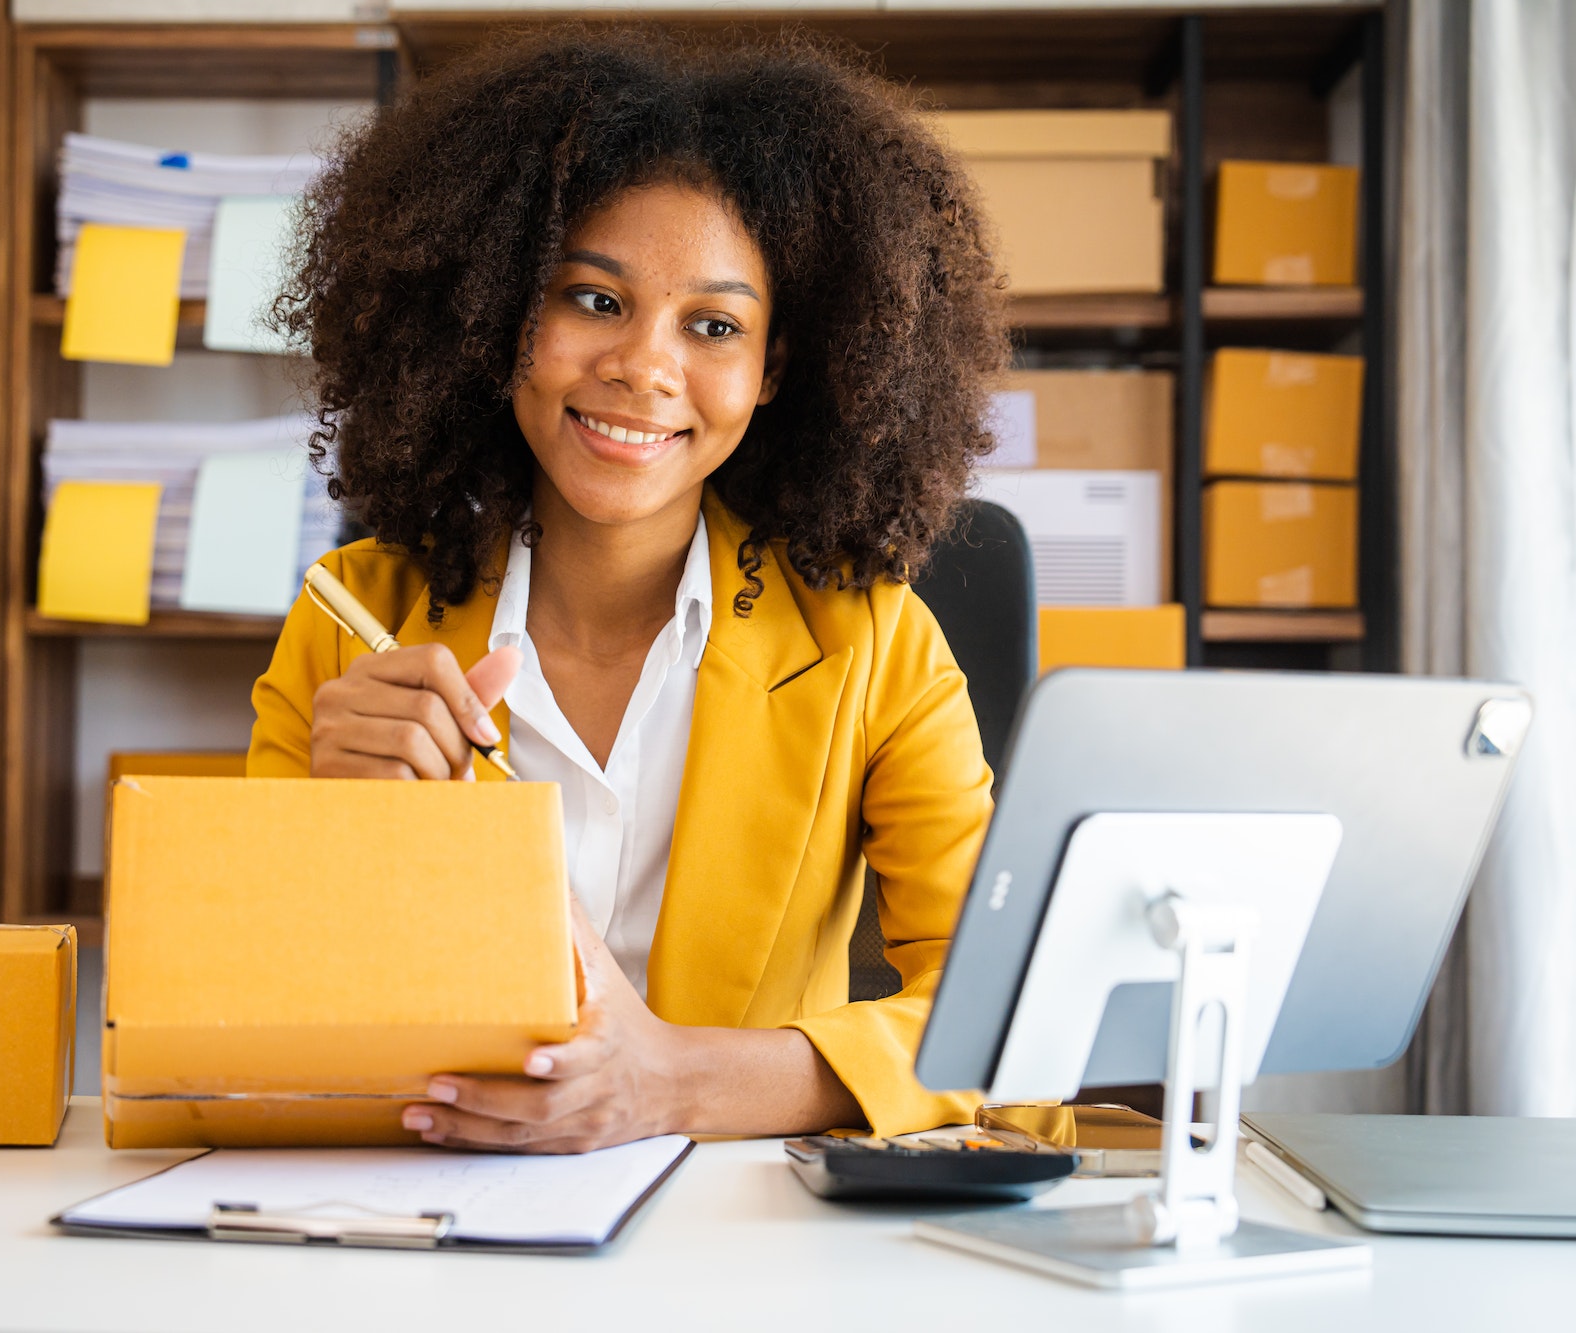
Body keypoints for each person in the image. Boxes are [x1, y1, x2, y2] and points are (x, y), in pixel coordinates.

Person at [249, 27, 1011, 1152]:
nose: (643, 368)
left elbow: (997, 1025)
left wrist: (677, 1082)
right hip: (428, 1199)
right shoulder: (345, 623)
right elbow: (232, 1015)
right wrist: (330, 835)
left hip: (739, 1231)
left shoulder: (876, 649)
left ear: (774, 370)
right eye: (593, 300)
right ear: (498, 311)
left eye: (712, 326)